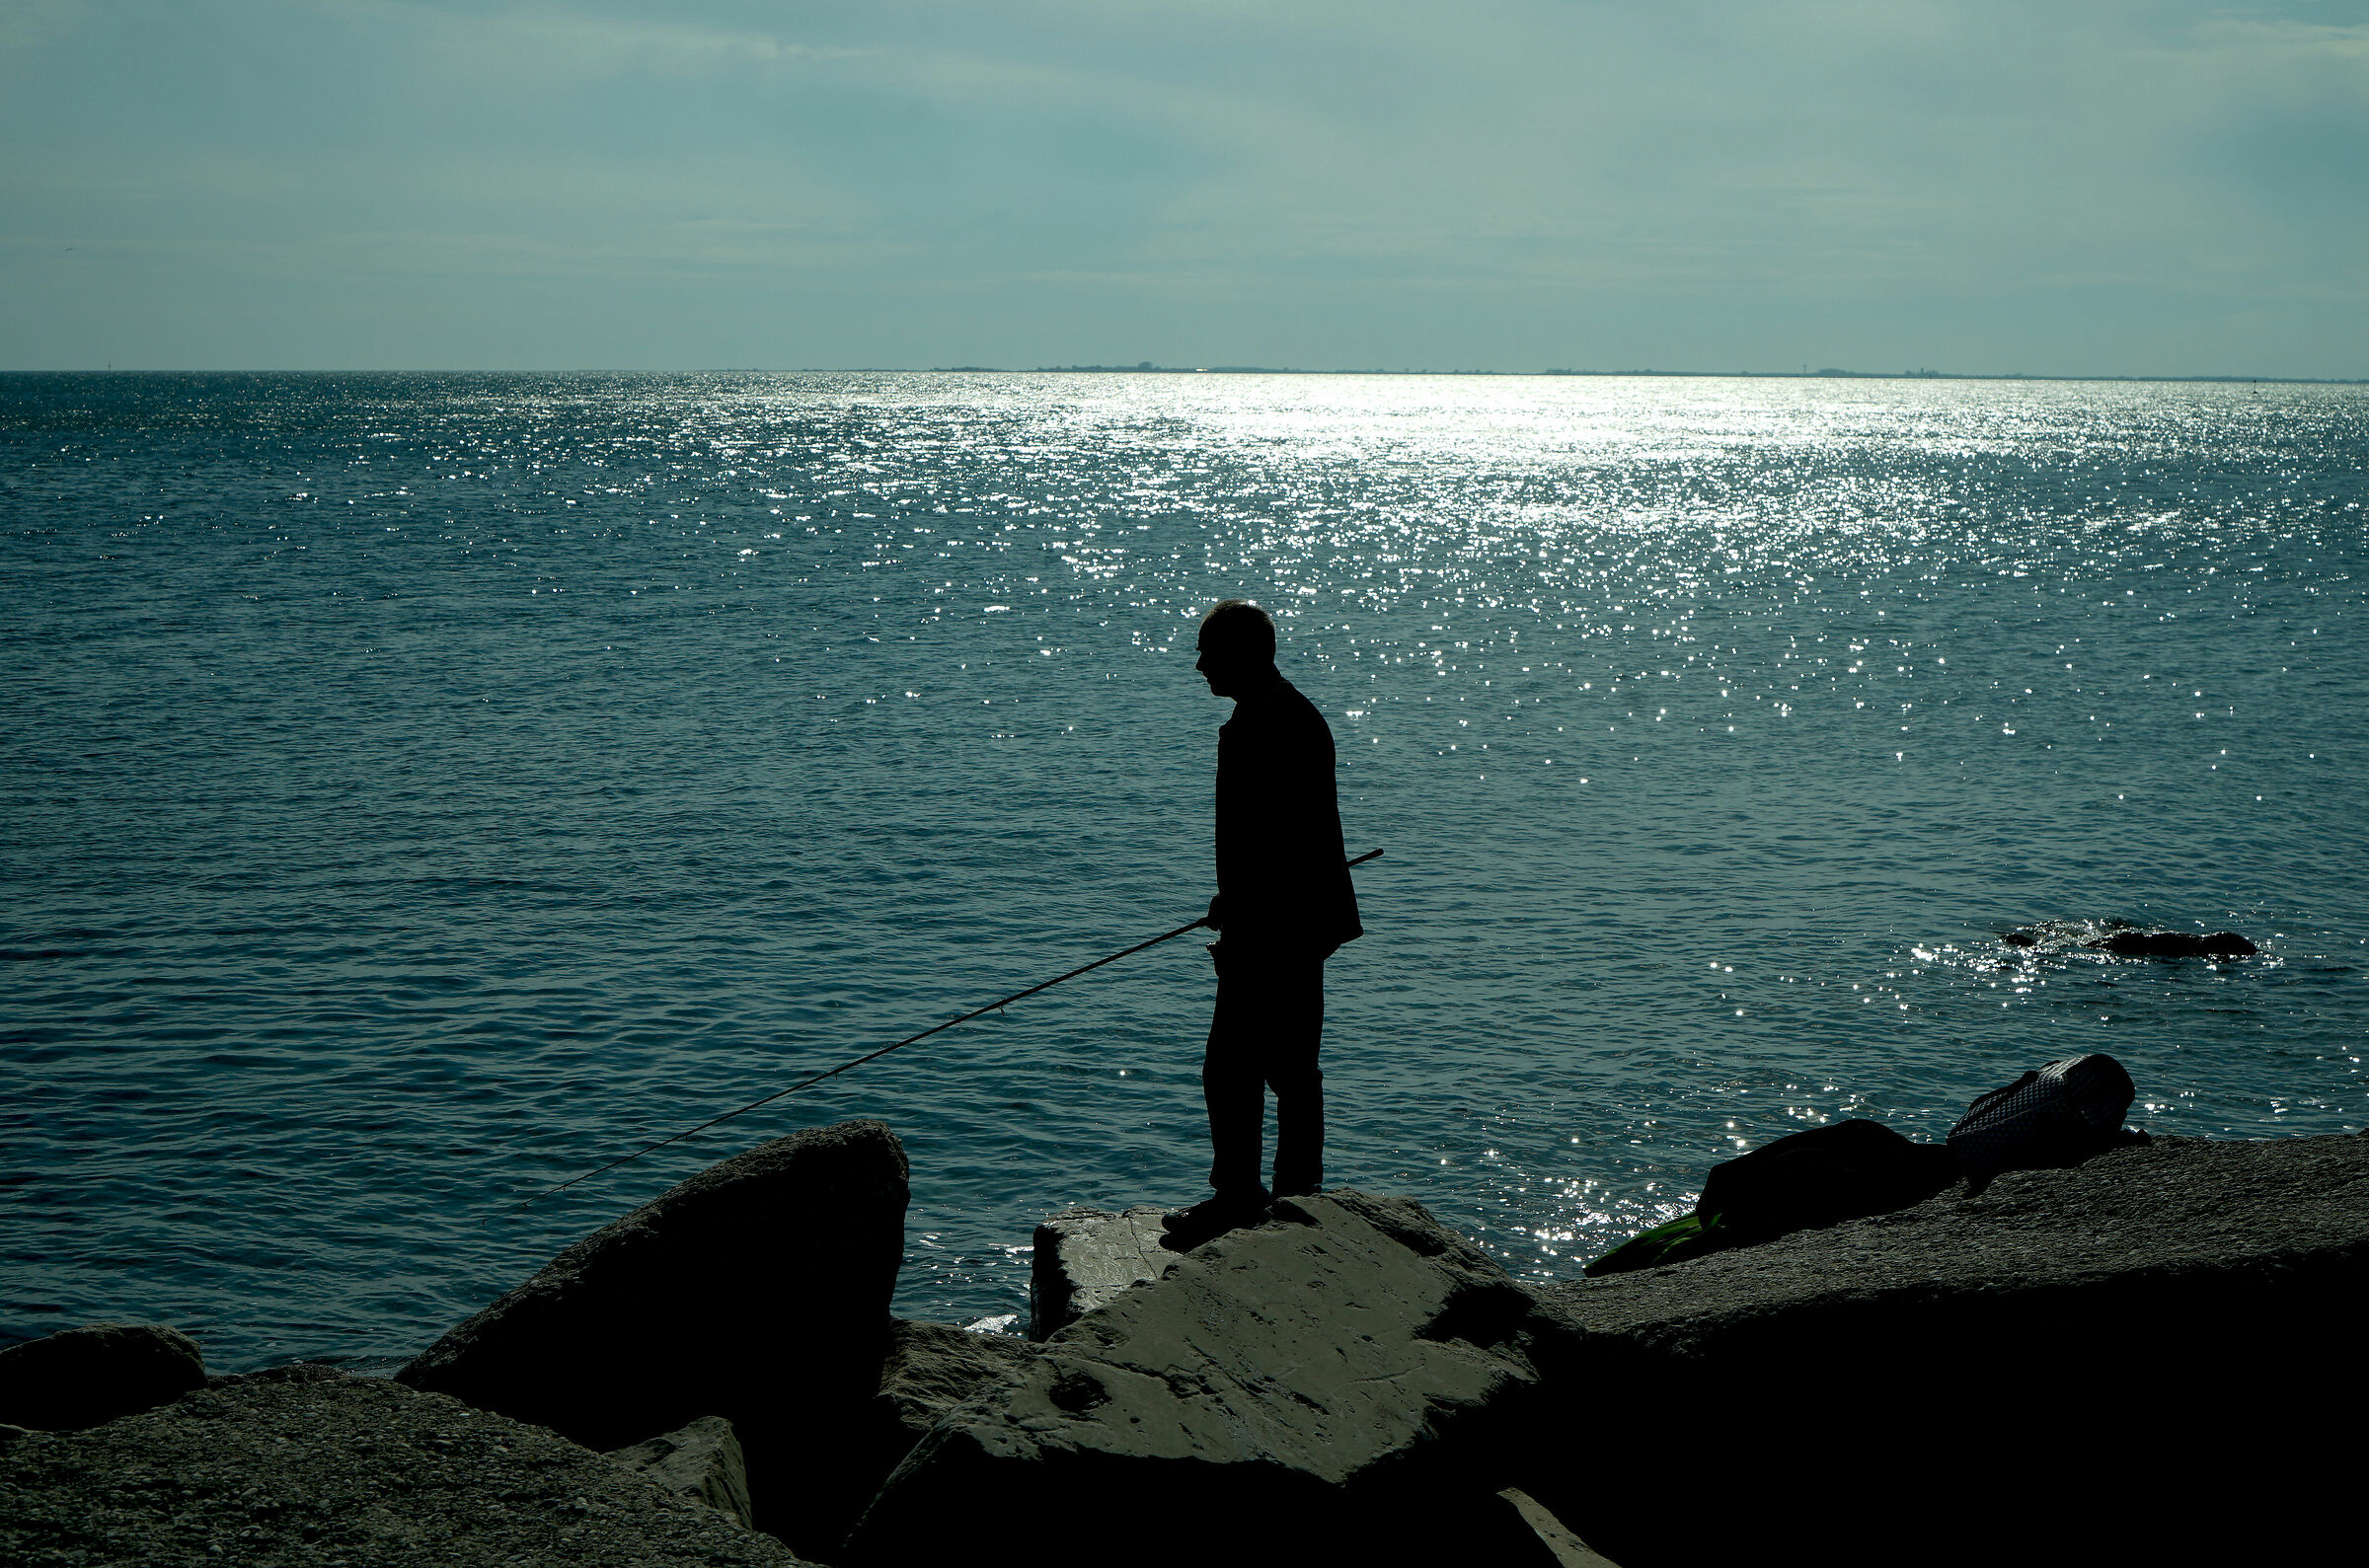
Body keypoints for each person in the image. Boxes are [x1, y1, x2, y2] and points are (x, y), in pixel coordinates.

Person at [1162, 600, 1362, 1250]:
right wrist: (1233, 900)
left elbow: (1273, 842)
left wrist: (1242, 916)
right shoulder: (1290, 714)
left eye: (1208, 652)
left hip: (1278, 926)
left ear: (1241, 654)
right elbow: (1290, 838)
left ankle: (1244, 1196)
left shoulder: (1263, 725)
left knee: (1235, 1066)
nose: (1198, 666)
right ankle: (1295, 1197)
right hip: (1298, 920)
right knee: (1289, 1066)